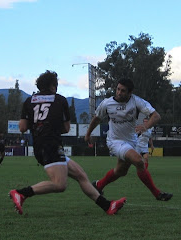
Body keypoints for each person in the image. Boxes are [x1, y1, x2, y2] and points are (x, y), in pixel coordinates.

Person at [9, 70, 126, 216]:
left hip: (40, 145)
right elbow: (66, 128)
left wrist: (39, 125)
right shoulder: (60, 100)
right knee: (60, 184)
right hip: (51, 144)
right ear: (53, 86)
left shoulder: (28, 101)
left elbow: (22, 127)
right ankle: (21, 193)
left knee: (80, 175)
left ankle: (108, 206)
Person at [84, 78, 172, 201]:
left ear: (130, 93)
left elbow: (156, 116)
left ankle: (98, 185)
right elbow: (96, 118)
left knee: (121, 171)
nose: (119, 92)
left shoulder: (136, 101)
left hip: (131, 141)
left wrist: (145, 126)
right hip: (115, 141)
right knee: (139, 161)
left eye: (123, 91)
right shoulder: (107, 103)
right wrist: (88, 134)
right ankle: (157, 194)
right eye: (118, 89)